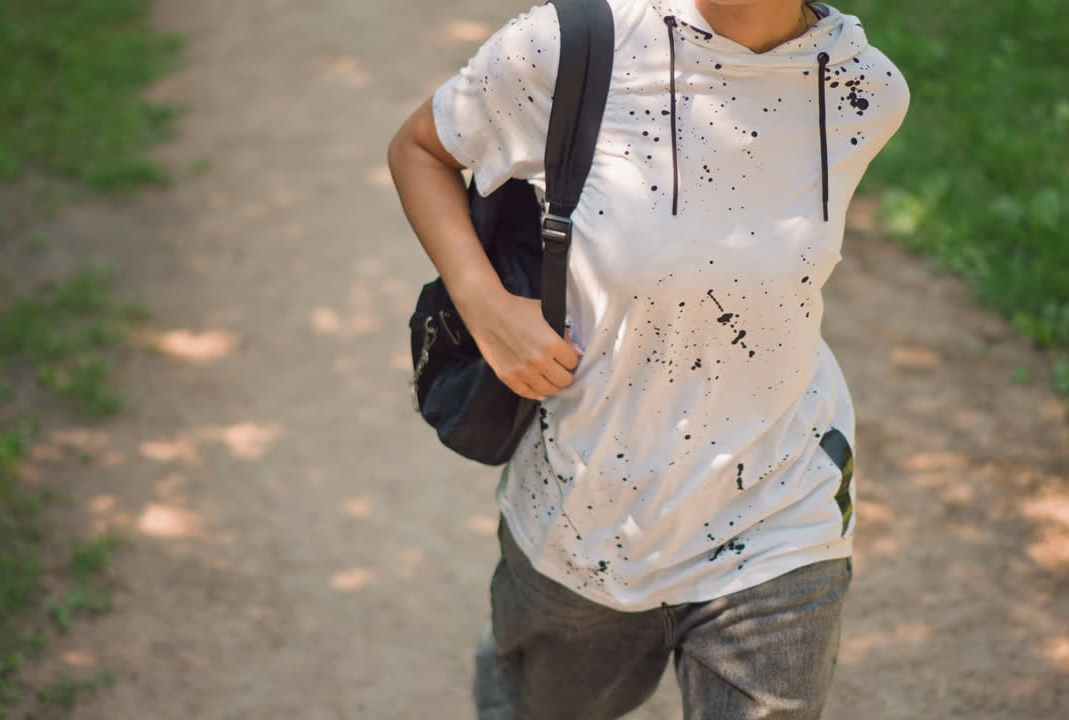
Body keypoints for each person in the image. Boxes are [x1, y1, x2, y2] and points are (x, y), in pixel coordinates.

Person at [387, 0, 909, 717]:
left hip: (782, 510)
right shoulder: (574, 47)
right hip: (585, 519)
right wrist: (484, 306)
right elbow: (421, 150)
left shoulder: (862, 91)